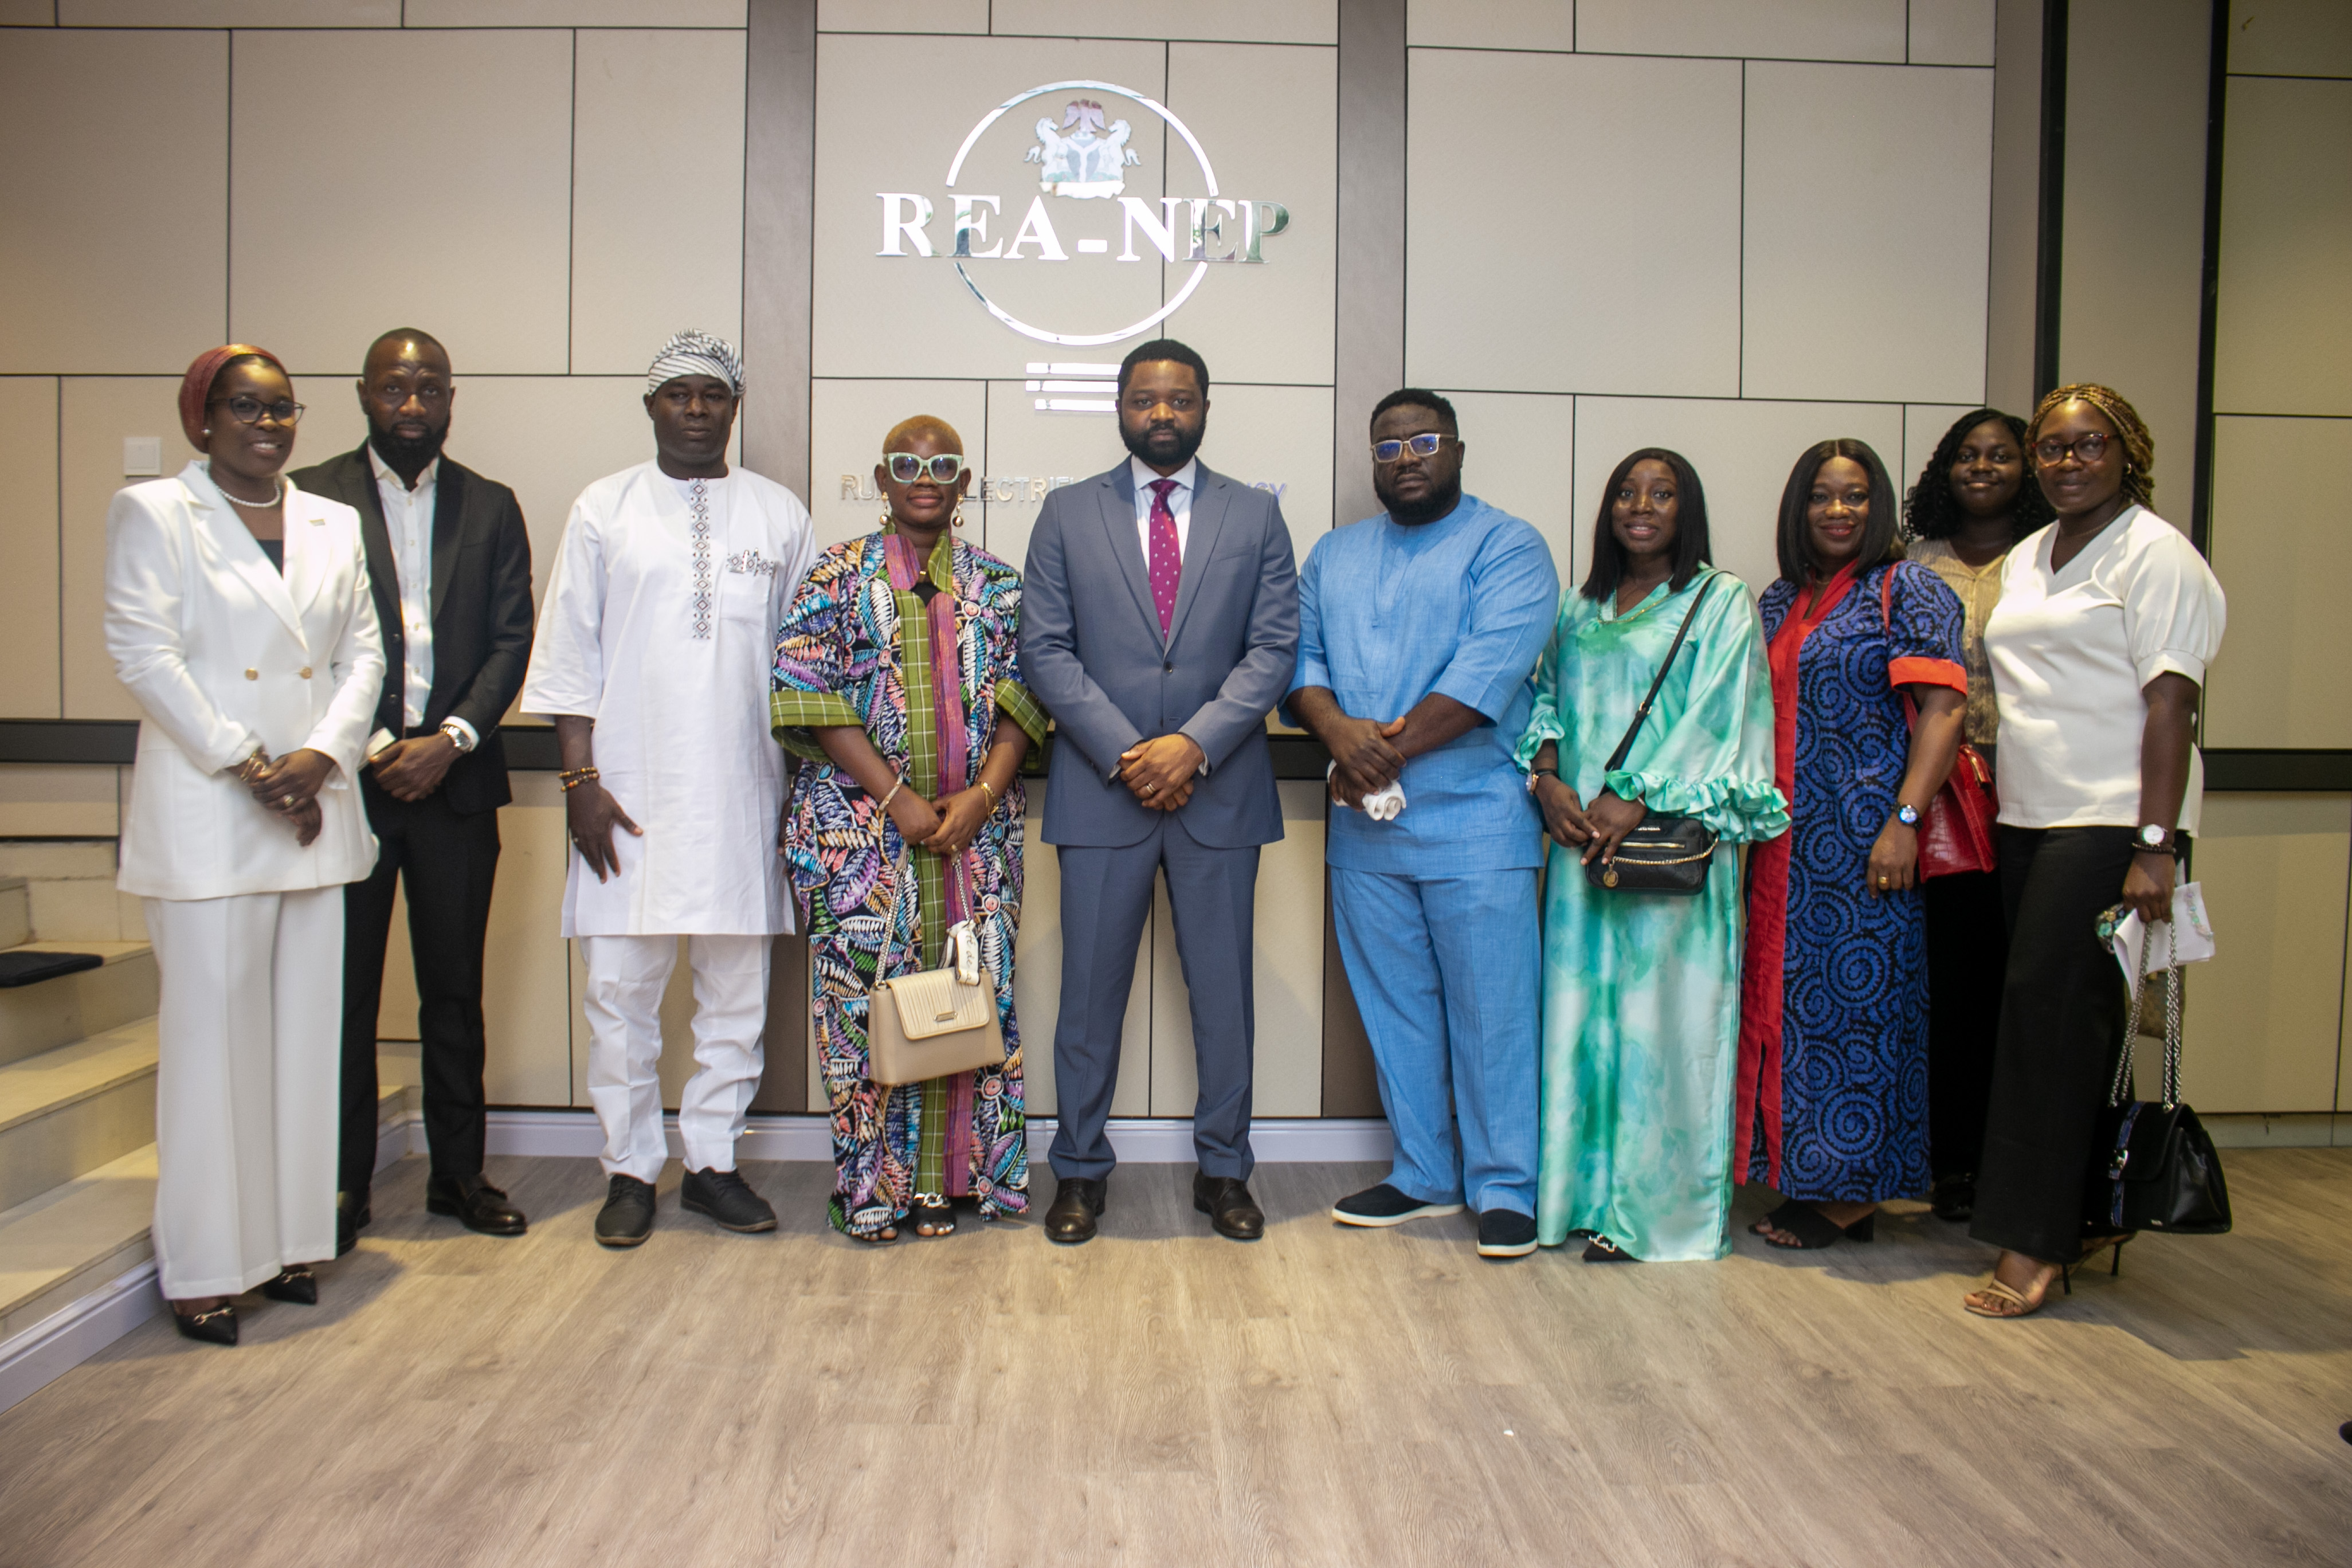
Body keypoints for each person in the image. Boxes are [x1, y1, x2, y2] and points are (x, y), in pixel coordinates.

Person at [105, 344, 386, 1344]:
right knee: (211, 1050)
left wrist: (319, 758)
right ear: (202, 419)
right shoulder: (155, 513)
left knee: (304, 1041)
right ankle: (205, 1267)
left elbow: (364, 655)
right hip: (214, 812)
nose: (267, 425)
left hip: (314, 809)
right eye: (244, 408)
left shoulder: (333, 520)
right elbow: (143, 652)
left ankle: (290, 1243)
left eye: (281, 409)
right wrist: (252, 763)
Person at [519, 331, 815, 1248]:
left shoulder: (778, 515)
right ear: (650, 406)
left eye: (712, 395)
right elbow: (570, 654)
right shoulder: (603, 507)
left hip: (743, 793)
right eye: (678, 394)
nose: (695, 409)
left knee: (735, 995)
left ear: (734, 408)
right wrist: (580, 780)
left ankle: (713, 1164)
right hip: (625, 795)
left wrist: (797, 798)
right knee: (620, 997)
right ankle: (631, 1170)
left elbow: (806, 666)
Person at [1019, 338, 1300, 1245]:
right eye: (1145, 400)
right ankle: (1079, 1173)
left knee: (1224, 1000)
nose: (1163, 415)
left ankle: (1225, 1171)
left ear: (1205, 408)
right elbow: (1045, 650)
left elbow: (1273, 651)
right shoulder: (1066, 513)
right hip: (1104, 793)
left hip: (1220, 793)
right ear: (1120, 408)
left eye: (1180, 399)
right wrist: (1132, 753)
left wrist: (1193, 747)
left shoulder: (1257, 515)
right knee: (1086, 1002)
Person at [1964, 383, 2225, 1318]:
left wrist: (2155, 846)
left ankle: (2035, 1243)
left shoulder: (2158, 555)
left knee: (2049, 1021)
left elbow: (2171, 704)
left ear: (2129, 453)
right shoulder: (2032, 553)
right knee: (2064, 1021)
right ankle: (2083, 1211)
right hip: (2031, 814)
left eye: (2089, 445)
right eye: (2052, 447)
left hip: (2116, 817)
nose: (2067, 462)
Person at [1287, 390, 1558, 1261]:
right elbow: (1302, 661)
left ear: (1458, 450)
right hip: (1366, 833)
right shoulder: (1334, 554)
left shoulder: (1508, 545)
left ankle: (1506, 1186)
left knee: (1494, 1012)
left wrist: (1373, 755)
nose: (1406, 457)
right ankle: (1424, 1172)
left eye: (1424, 441)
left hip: (1476, 820)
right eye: (1388, 446)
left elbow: (1489, 672)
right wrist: (1338, 734)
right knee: (1395, 1008)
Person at [771, 416, 1046, 1242]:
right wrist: (898, 799)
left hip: (976, 843)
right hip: (857, 839)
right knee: (862, 1011)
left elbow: (1029, 699)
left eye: (942, 465)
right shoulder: (834, 577)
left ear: (965, 483)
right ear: (882, 480)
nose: (924, 477)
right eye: (906, 464)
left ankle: (952, 1181)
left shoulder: (1000, 587)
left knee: (969, 999)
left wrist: (982, 798)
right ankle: (871, 1191)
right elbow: (808, 694)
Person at [290, 328, 535, 1252]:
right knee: (343, 995)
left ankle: (458, 1175)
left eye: (429, 388)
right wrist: (380, 743)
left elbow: (512, 638)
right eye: (395, 388)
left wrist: (451, 740)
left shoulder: (491, 504)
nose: (412, 405)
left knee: (454, 993)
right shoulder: (312, 499)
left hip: (458, 788)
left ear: (450, 400)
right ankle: (340, 1186)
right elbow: (305, 640)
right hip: (348, 786)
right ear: (363, 394)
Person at [1520, 449, 1785, 1263]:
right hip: (1581, 847)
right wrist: (1547, 779)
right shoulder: (1578, 607)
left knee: (1661, 1026)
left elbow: (1723, 716)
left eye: (1662, 494)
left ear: (1686, 510)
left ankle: (1657, 1217)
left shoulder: (1719, 600)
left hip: (1670, 848)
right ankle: (1577, 1201)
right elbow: (1543, 696)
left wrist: (1634, 794)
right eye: (1628, 493)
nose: (1642, 506)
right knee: (1583, 1025)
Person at [1735, 439, 1967, 1250]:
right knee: (1790, 1009)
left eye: (1856, 496)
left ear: (1880, 507)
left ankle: (1854, 1193)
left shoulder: (1907, 591)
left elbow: (1943, 710)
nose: (1838, 511)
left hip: (1866, 838)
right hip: (1784, 845)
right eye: (1821, 496)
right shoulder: (1780, 600)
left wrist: (1905, 821)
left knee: (1863, 1010)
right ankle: (1806, 1174)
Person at [1899, 407, 2052, 1224]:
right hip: (1939, 799)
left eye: (2001, 455)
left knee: (2019, 987)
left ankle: (2018, 1165)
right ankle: (1953, 1162)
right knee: (1950, 983)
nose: (1983, 468)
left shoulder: (2047, 559)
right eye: (1968, 455)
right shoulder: (1912, 563)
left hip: (2033, 793)